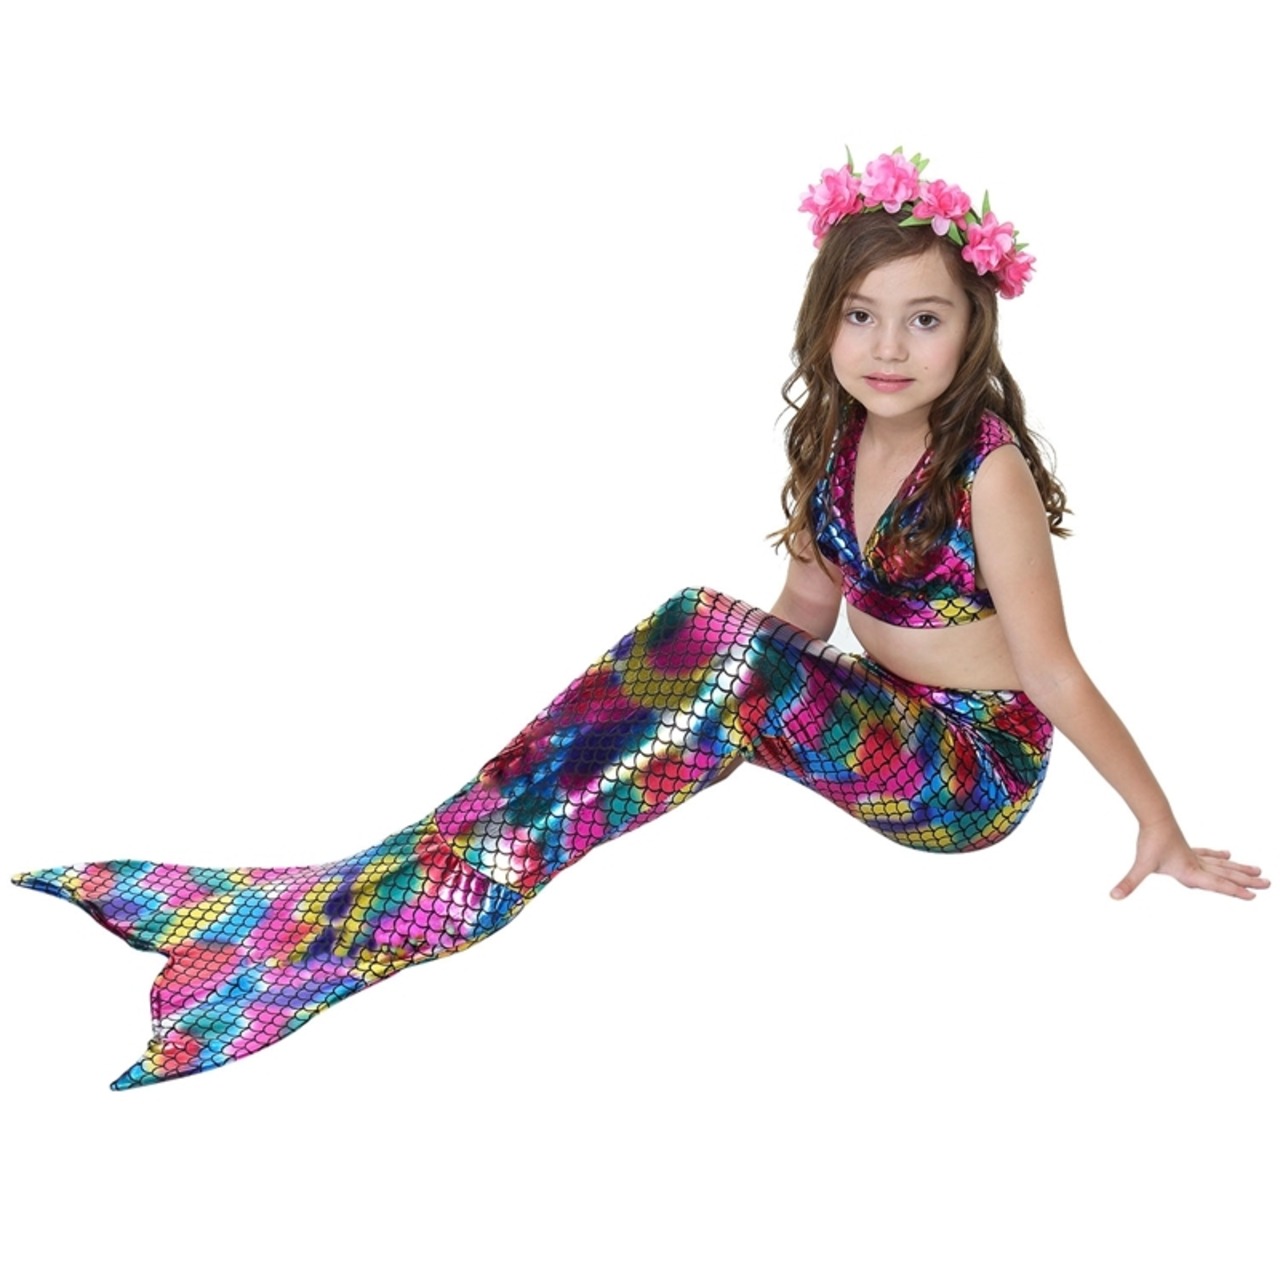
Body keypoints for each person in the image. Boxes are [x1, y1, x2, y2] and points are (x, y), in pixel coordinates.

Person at [13, 148, 1268, 1091]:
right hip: (878, 710)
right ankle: (408, 868)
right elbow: (802, 614)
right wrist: (682, 691)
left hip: (963, 768)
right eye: (860, 313)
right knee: (697, 623)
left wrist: (1157, 824)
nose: (887, 345)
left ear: (969, 329)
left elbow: (1051, 669)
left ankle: (430, 899)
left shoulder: (983, 469)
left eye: (922, 317)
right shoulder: (834, 439)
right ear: (825, 321)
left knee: (716, 654)